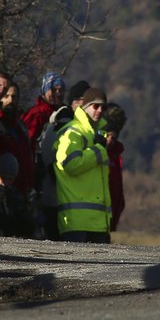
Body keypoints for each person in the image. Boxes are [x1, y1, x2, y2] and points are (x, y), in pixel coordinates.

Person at [54, 87, 111, 243]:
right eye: (95, 106)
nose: (99, 110)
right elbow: (69, 163)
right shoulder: (73, 132)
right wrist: (98, 150)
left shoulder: (98, 135)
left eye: (103, 107)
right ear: (85, 107)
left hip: (98, 223)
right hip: (76, 222)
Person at [36, 79, 90, 240]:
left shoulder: (78, 127)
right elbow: (49, 157)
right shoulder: (64, 126)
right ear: (75, 102)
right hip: (58, 199)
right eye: (86, 102)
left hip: (64, 200)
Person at [21, 71, 65, 145]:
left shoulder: (65, 112)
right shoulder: (36, 114)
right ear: (44, 92)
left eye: (61, 90)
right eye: (53, 90)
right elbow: (27, 141)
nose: (58, 93)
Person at [104, 103, 127, 232]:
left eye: (113, 137)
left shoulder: (116, 154)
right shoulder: (99, 152)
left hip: (109, 218)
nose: (110, 140)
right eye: (107, 135)